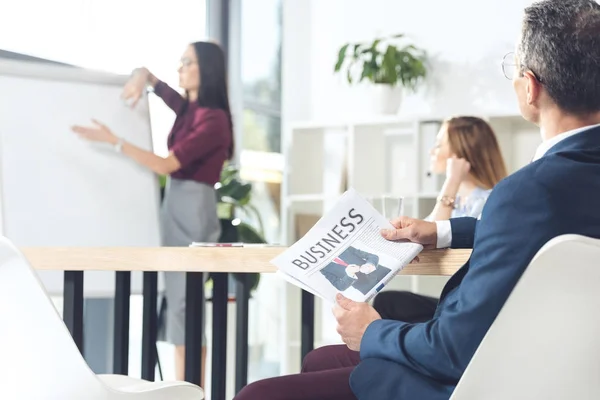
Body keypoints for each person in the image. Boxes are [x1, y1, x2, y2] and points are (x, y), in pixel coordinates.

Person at [234, 0, 600, 398]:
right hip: (565, 372)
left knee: (256, 394)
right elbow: (542, 230)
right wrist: (442, 231)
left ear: (530, 87)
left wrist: (371, 330)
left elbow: (451, 350)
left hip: (482, 380)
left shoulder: (528, 192)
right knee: (321, 360)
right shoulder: (549, 192)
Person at [72, 41, 233, 385]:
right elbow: (151, 78)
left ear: (205, 68)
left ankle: (192, 389)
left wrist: (114, 140)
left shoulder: (213, 119)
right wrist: (138, 78)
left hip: (193, 208)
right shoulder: (189, 110)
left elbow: (166, 164)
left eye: (186, 62)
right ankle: (188, 388)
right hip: (177, 205)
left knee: (184, 307)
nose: (179, 68)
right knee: (178, 305)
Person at [374, 116, 507, 322]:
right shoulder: (454, 201)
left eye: (438, 145)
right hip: (454, 299)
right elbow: (424, 235)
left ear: (460, 152)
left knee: (390, 305)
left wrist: (452, 180)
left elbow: (436, 231)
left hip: (473, 307)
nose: (431, 151)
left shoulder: (490, 200)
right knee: (387, 302)